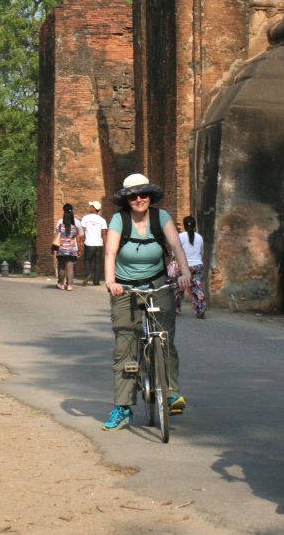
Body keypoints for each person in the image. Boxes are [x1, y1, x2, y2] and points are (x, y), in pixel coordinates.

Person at [102, 174, 191, 431]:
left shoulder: (160, 217)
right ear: (126, 199)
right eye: (133, 195)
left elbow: (176, 246)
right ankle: (123, 406)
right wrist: (111, 282)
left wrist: (185, 274)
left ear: (150, 196)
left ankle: (171, 392)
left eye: (143, 194)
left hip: (157, 283)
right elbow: (110, 252)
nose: (139, 199)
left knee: (165, 339)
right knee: (125, 347)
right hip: (125, 287)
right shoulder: (120, 220)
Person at [179, 216, 206, 319]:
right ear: (194, 225)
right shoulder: (199, 237)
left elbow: (175, 252)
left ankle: (176, 309)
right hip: (197, 265)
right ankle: (201, 309)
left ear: (184, 225)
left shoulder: (181, 236)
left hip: (184, 266)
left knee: (179, 288)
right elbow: (201, 252)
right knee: (197, 287)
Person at [53, 203, 82, 291]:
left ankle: (61, 284)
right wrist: (79, 249)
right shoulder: (74, 227)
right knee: (70, 268)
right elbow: (78, 238)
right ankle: (69, 285)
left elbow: (56, 237)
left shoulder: (60, 225)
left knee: (61, 267)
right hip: (71, 250)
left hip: (61, 250)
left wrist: (54, 249)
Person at [80, 200, 107, 286]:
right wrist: (106, 246)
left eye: (91, 206)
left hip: (89, 244)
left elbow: (82, 232)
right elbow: (104, 234)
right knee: (97, 263)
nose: (89, 208)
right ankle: (96, 281)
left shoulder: (86, 218)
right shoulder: (102, 220)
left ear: (94, 209)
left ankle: (87, 275)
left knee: (87, 260)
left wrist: (81, 242)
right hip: (99, 244)